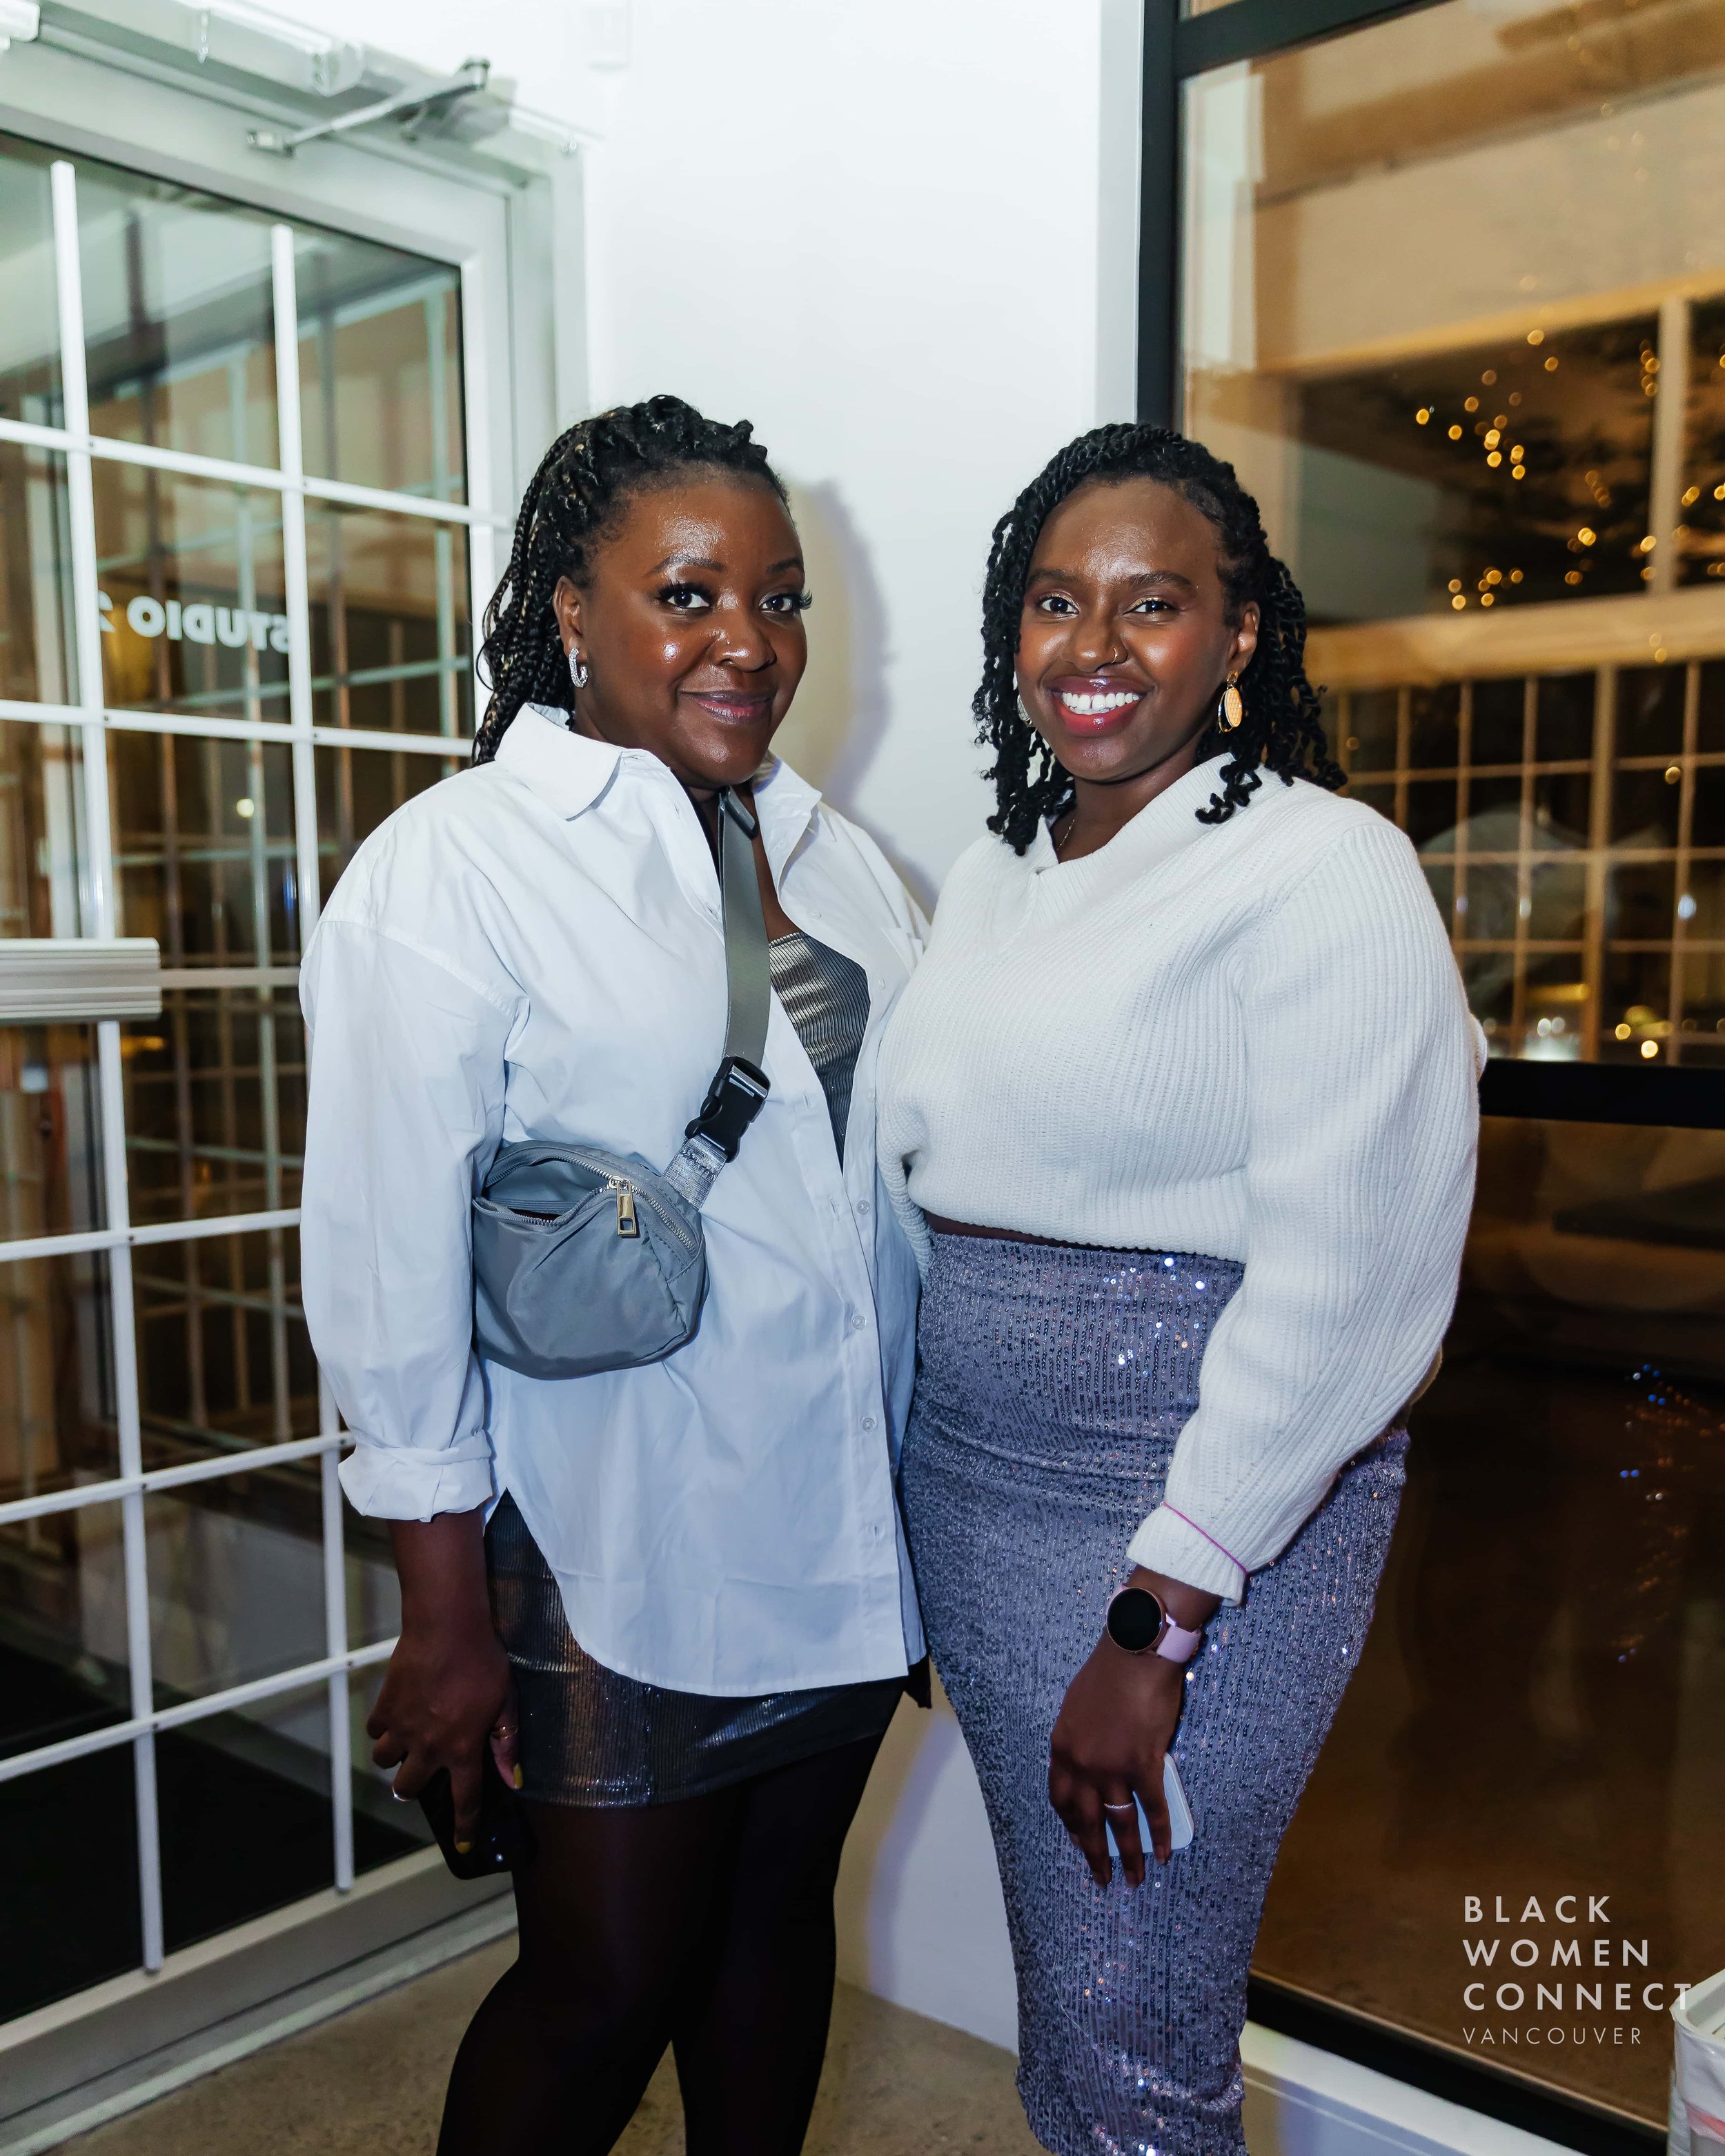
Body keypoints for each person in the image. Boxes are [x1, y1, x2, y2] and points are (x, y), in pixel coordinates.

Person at [298, 397, 926, 2156]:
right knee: (604, 1982)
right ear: (575, 610)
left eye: (780, 599)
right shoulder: (458, 864)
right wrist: (442, 1610)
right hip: (609, 1529)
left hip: (835, 1514)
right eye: (689, 594)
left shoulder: (837, 859)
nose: (749, 642)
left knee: (771, 1931)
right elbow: (384, 1248)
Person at [876, 424, 1481, 2156]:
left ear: (1236, 636)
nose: (1092, 643)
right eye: (1053, 599)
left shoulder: (1320, 865)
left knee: (1135, 2034)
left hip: (1201, 1521)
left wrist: (1160, 1617)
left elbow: (1353, 1277)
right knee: (1080, 2001)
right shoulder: (993, 875)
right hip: (976, 1497)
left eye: (1151, 603)